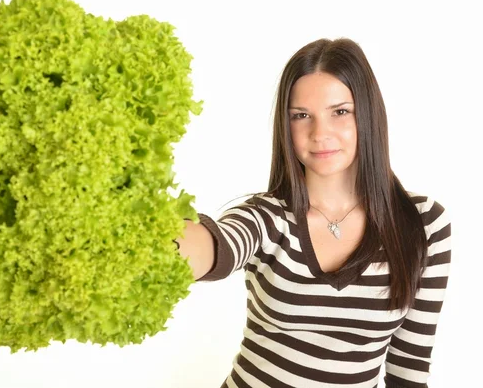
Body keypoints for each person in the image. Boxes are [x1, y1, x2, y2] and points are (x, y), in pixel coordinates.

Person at [175, 37, 451, 388]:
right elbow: (215, 245)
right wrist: (163, 241)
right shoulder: (267, 218)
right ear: (285, 126)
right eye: (301, 116)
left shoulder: (425, 223)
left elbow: (408, 368)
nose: (320, 133)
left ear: (368, 114)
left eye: (340, 111)